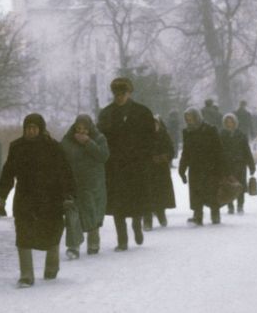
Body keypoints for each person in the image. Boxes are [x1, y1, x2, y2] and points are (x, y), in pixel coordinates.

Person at [0, 113, 74, 287]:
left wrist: (68, 195)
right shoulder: (17, 147)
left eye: (34, 128)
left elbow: (65, 173)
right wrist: (1, 196)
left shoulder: (53, 147)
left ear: (41, 129)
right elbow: (8, 173)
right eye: (27, 128)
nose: (31, 131)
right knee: (23, 234)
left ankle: (51, 268)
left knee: (52, 232)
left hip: (51, 198)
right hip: (25, 198)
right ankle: (26, 275)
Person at [97, 77, 156, 251]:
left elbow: (150, 138)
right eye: (116, 94)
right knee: (117, 203)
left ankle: (137, 226)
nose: (119, 97)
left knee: (136, 199)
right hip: (115, 166)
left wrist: (146, 158)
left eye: (123, 94)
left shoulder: (142, 112)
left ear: (129, 93)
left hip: (137, 165)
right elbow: (101, 138)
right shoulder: (106, 114)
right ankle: (122, 239)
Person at [60, 114, 109, 259]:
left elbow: (103, 156)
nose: (81, 132)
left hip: (93, 183)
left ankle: (93, 243)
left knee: (92, 212)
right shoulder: (68, 140)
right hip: (73, 183)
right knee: (73, 214)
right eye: (78, 129)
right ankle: (73, 247)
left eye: (85, 129)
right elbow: (60, 156)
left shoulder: (99, 139)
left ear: (90, 129)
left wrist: (88, 142)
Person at [179, 108, 225, 225]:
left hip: (211, 167)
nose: (189, 121)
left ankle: (215, 214)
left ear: (197, 117)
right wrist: (182, 168)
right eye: (187, 119)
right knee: (196, 192)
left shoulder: (210, 130)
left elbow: (219, 150)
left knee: (211, 191)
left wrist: (222, 168)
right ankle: (198, 215)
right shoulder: (187, 132)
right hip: (195, 167)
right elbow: (186, 151)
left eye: (191, 118)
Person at [143, 115, 176, 230]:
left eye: (155, 123)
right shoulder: (143, 137)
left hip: (161, 170)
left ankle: (161, 214)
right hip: (147, 171)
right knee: (147, 195)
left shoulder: (164, 135)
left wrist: (163, 157)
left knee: (160, 194)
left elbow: (172, 151)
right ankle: (147, 220)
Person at [219, 112, 256, 214]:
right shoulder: (221, 135)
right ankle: (230, 206)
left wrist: (251, 165)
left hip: (240, 164)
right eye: (227, 122)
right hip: (227, 165)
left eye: (231, 122)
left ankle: (240, 205)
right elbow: (218, 150)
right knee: (228, 186)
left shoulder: (241, 135)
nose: (229, 124)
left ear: (235, 123)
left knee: (241, 186)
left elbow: (246, 151)